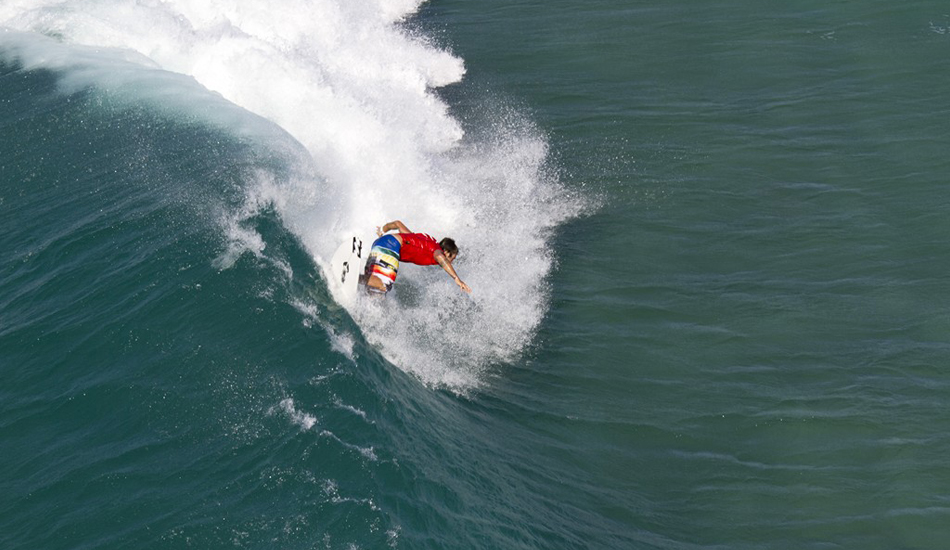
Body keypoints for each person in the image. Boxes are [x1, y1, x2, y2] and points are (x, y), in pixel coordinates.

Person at [362, 220, 471, 295]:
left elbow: (398, 224)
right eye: (452, 258)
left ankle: (355, 277)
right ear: (446, 252)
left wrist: (382, 230)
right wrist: (457, 279)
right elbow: (439, 257)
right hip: (390, 247)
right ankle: (356, 277)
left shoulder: (418, 241)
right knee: (383, 285)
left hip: (380, 244)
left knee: (377, 292)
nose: (451, 262)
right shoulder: (436, 250)